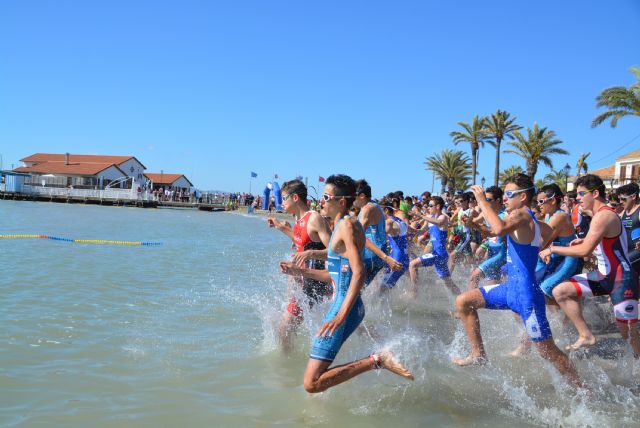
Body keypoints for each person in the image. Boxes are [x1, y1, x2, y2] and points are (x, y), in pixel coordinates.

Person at [280, 174, 413, 392]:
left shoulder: (348, 225)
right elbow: (334, 275)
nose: (320, 201)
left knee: (311, 383)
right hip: (347, 305)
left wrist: (341, 316)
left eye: (326, 197)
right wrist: (299, 271)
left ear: (341, 202)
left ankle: (378, 360)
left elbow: (359, 272)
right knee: (314, 380)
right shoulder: (340, 226)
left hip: (345, 308)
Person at [453, 174, 582, 389]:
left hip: (527, 297)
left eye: (509, 194)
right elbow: (496, 231)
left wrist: (482, 201)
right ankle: (478, 355)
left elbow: (501, 228)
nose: (504, 198)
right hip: (510, 289)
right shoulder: (522, 219)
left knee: (547, 351)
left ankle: (582, 389)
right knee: (464, 301)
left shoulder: (524, 215)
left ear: (523, 197)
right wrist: (477, 227)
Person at [541, 174, 639, 355]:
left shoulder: (604, 215)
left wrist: (553, 249)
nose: (577, 198)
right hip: (603, 275)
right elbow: (606, 241)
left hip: (621, 279)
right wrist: (585, 240)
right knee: (561, 291)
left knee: (629, 336)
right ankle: (586, 335)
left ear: (595, 194)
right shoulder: (599, 215)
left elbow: (584, 252)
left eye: (581, 194)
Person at [267, 179, 333, 352]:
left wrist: (310, 254)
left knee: (284, 329)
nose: (281, 202)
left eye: (284, 198)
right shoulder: (299, 219)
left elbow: (336, 253)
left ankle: (286, 365)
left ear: (295, 197)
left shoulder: (314, 219)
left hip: (314, 283)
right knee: (285, 327)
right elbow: (301, 242)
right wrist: (280, 227)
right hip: (301, 280)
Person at [409, 196, 462, 297]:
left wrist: (420, 215)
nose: (428, 208)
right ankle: (461, 297)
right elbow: (420, 231)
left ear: (438, 207)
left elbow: (438, 223)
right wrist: (409, 228)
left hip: (439, 254)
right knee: (448, 282)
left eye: (430, 205)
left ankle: (414, 293)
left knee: (412, 264)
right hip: (437, 254)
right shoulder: (430, 219)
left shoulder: (442, 218)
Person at [353, 179, 403, 286]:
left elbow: (359, 236)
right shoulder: (375, 206)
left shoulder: (367, 209)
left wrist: (386, 258)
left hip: (371, 256)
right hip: (377, 254)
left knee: (353, 289)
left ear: (361, 196)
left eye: (352, 194)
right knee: (358, 290)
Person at [466, 186, 506, 290]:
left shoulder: (505, 215)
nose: (485, 202)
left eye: (488, 200)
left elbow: (492, 232)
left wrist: (475, 225)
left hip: (501, 255)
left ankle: (468, 303)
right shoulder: (486, 213)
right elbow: (473, 223)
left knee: (474, 275)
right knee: (492, 287)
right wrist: (468, 219)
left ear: (498, 201)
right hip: (492, 252)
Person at [379, 205, 411, 291]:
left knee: (383, 288)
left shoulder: (389, 222)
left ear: (385, 211)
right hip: (404, 258)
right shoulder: (400, 221)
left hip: (397, 260)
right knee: (387, 286)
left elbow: (380, 237)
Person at [617, 182, 640, 276]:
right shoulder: (623, 213)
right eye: (619, 199)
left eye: (623, 199)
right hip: (625, 251)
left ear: (633, 197)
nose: (620, 202)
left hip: (637, 252)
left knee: (620, 267)